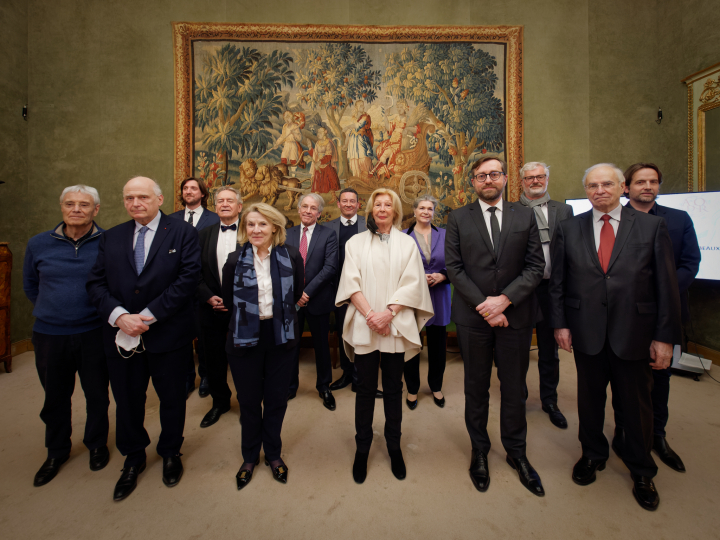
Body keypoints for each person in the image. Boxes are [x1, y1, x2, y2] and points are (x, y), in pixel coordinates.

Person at [549, 163, 681, 511]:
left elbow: (666, 288)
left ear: (622, 187)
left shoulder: (652, 226)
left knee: (636, 405)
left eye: (607, 184)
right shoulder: (568, 228)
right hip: (586, 331)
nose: (599, 191)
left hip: (634, 332)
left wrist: (664, 337)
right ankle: (592, 455)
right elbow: (559, 283)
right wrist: (560, 324)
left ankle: (641, 469)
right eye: (592, 185)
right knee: (589, 401)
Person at [86, 176, 201, 502]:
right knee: (128, 401)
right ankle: (133, 457)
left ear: (160, 199)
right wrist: (120, 316)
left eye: (142, 197)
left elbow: (188, 279)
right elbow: (95, 284)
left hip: (169, 336)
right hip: (122, 338)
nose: (135, 203)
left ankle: (170, 453)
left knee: (173, 399)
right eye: (129, 198)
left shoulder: (182, 232)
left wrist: (146, 317)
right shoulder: (112, 237)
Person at [445, 157, 546, 497]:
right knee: (475, 388)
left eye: (494, 174)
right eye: (481, 175)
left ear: (505, 178)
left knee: (515, 388)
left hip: (515, 316)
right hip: (474, 319)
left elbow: (535, 266)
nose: (488, 179)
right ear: (472, 182)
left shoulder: (525, 214)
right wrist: (487, 307)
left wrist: (504, 301)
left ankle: (517, 453)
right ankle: (480, 452)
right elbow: (454, 268)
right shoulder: (458, 217)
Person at [336, 188, 433, 484]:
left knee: (393, 389)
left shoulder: (407, 243)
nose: (381, 208)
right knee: (364, 389)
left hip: (394, 325)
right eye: (377, 204)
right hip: (366, 324)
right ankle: (362, 449)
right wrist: (371, 316)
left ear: (395, 210)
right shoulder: (355, 242)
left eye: (387, 204)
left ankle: (394, 446)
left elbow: (413, 282)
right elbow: (350, 283)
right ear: (370, 209)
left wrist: (387, 314)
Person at [612, 162, 700, 472]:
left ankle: (657, 436)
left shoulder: (678, 220)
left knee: (660, 377)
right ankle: (623, 431)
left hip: (665, 314)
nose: (647, 186)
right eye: (640, 182)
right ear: (627, 187)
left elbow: (690, 264)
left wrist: (662, 292)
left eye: (653, 181)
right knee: (624, 378)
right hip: (623, 315)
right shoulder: (613, 220)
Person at [23, 185, 110, 487]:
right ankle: (56, 451)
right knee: (55, 396)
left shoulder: (108, 243)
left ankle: (97, 443)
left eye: (84, 205)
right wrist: (54, 310)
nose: (76, 209)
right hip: (50, 334)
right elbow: (31, 286)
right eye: (70, 204)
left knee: (97, 394)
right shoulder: (38, 244)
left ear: (95, 210)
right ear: (61, 207)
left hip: (94, 332)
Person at [221, 203, 304, 490]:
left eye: (263, 225)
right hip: (245, 338)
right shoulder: (233, 260)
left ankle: (272, 454)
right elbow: (228, 303)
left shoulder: (291, 256)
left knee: (277, 399)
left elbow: (296, 292)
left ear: (275, 228)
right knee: (248, 401)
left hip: (280, 337)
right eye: (251, 225)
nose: (256, 230)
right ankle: (248, 456)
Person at [518, 161, 574, 429]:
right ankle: (518, 398)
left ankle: (549, 400)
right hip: (521, 291)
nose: (535, 181)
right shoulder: (512, 210)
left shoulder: (564, 210)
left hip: (553, 289)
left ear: (547, 179)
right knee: (517, 348)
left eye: (540, 176)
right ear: (522, 182)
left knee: (549, 351)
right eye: (529, 178)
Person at [285, 193, 339, 410]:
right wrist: (295, 294)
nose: (308, 211)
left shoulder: (329, 235)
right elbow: (280, 267)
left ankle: (324, 386)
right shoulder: (286, 234)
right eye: (304, 206)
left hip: (317, 300)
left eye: (313, 208)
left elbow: (330, 268)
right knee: (291, 346)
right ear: (298, 210)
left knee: (321, 346)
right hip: (291, 301)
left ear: (320, 212)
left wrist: (306, 293)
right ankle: (289, 386)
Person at [196, 187, 243, 429]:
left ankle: (248, 404)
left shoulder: (252, 232)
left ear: (239, 207)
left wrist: (238, 298)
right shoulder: (203, 235)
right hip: (211, 308)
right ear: (215, 207)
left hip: (243, 308)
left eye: (230, 201)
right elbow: (194, 272)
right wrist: (208, 296)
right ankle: (220, 402)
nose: (224, 204)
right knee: (213, 359)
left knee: (246, 359)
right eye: (220, 201)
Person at [170, 177, 219, 399]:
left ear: (202, 193)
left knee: (205, 337)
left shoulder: (215, 219)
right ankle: (186, 377)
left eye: (193, 188)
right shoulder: (170, 220)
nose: (188, 191)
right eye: (185, 188)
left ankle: (206, 376)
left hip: (204, 287)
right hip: (177, 287)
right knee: (180, 335)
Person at [402, 195, 451, 410]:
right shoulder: (403, 237)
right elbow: (397, 267)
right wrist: (419, 277)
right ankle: (412, 389)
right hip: (413, 297)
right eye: (421, 208)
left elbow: (457, 263)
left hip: (439, 295)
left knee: (438, 346)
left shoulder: (446, 235)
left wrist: (443, 276)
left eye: (430, 208)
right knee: (412, 344)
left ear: (434, 212)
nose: (425, 212)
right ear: (414, 211)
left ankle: (436, 386)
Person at [326, 188, 374, 394]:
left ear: (358, 204)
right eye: (344, 201)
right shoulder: (327, 228)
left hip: (365, 290)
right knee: (343, 330)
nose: (348, 204)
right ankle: (347, 373)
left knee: (363, 331)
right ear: (338, 204)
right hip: (338, 290)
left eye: (352, 201)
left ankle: (361, 376)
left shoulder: (369, 226)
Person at [370, 100, 419, 178]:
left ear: (405, 108)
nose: (399, 109)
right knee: (384, 155)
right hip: (392, 142)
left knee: (390, 158)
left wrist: (407, 129)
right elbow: (389, 127)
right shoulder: (397, 118)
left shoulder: (409, 119)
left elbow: (416, 129)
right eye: (398, 107)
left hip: (401, 144)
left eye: (401, 107)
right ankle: (373, 172)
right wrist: (385, 116)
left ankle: (389, 176)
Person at [344, 100, 374, 178]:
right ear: (356, 107)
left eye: (363, 105)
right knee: (354, 159)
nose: (363, 107)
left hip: (361, 138)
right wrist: (346, 143)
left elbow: (359, 125)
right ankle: (356, 179)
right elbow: (351, 130)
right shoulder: (354, 117)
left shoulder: (365, 116)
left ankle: (366, 179)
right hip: (353, 140)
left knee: (363, 157)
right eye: (360, 106)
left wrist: (348, 127)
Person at [309, 127, 341, 193]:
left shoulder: (328, 143)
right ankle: (317, 198)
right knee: (317, 185)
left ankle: (334, 197)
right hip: (318, 166)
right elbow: (315, 155)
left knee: (331, 180)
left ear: (325, 132)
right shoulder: (317, 143)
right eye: (318, 132)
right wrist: (310, 149)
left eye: (320, 132)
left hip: (326, 165)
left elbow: (328, 156)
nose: (318, 134)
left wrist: (320, 162)